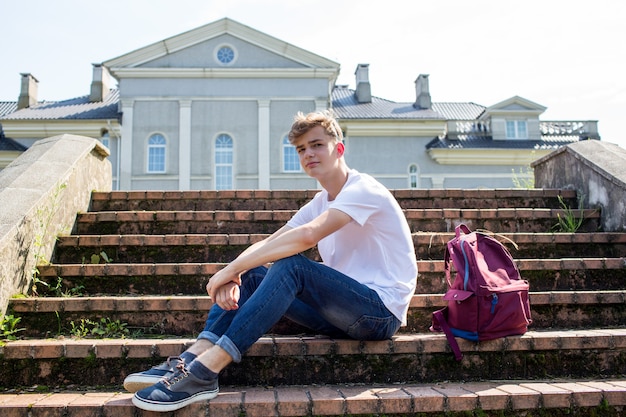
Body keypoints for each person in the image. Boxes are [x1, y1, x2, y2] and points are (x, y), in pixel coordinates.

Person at [125, 110, 418, 412]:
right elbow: (270, 243)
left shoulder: (364, 189)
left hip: (379, 313)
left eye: (316, 144)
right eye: (301, 149)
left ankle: (207, 370)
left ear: (339, 148)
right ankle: (192, 358)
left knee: (291, 266)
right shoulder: (319, 202)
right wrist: (236, 274)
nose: (308, 154)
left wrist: (230, 270)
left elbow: (307, 236)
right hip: (341, 316)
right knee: (254, 275)